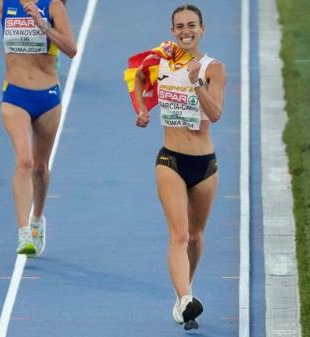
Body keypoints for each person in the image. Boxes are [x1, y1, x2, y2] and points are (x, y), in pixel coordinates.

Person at [132, 4, 226, 330]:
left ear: (202, 29)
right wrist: (142, 109)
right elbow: (138, 79)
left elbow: (215, 114)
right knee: (179, 234)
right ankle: (186, 298)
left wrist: (196, 83)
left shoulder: (214, 68)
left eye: (192, 25)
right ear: (173, 30)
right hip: (170, 158)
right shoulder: (160, 60)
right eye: (180, 26)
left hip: (204, 164)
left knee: (196, 237)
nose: (186, 31)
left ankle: (183, 295)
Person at [0, 0, 76, 256]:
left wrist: (44, 27)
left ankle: (37, 220)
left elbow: (71, 49)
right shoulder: (3, 4)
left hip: (48, 98)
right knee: (25, 160)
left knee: (40, 168)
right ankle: (23, 233)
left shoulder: (53, 7)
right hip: (14, 96)